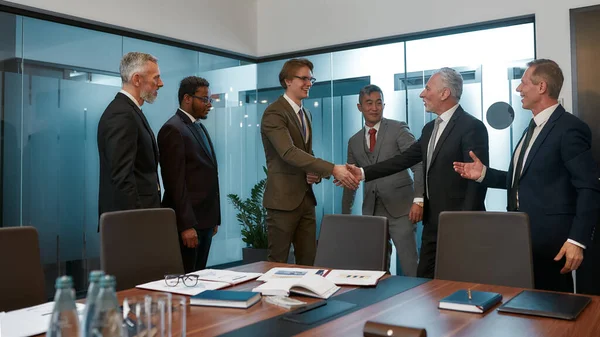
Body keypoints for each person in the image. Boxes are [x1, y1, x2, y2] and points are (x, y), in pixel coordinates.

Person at [453, 59, 600, 292]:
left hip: (554, 244)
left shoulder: (569, 128)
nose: (518, 89)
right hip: (523, 238)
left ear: (541, 87)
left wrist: (577, 239)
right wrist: (484, 174)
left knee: (554, 315)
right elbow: (524, 181)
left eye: (523, 83)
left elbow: (589, 187)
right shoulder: (530, 128)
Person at [345, 67, 489, 278]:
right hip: (432, 223)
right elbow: (402, 160)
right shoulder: (429, 128)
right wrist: (362, 173)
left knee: (457, 280)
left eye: (427, 88)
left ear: (444, 93)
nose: (422, 93)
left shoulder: (472, 126)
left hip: (458, 224)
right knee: (423, 281)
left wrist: (464, 223)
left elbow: (477, 180)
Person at [261, 58, 359, 266]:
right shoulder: (274, 112)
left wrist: (315, 174)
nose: (309, 83)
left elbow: (306, 154)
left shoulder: (306, 114)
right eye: (303, 78)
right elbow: (288, 152)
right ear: (287, 81)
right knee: (277, 263)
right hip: (282, 202)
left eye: (311, 79)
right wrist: (332, 169)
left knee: (308, 263)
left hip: (306, 199)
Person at [341, 84, 424, 276]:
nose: (374, 108)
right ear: (359, 107)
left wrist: (418, 200)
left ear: (384, 105)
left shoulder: (398, 128)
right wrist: (345, 216)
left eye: (378, 103)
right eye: (369, 103)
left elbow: (418, 164)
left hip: (402, 209)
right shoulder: (353, 141)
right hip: (371, 212)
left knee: (410, 265)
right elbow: (350, 179)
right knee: (374, 270)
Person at [158, 77, 220, 273]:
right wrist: (186, 226)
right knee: (185, 281)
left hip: (205, 221)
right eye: (204, 99)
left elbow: (208, 174)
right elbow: (175, 183)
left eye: (209, 99)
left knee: (198, 277)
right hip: (189, 223)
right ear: (187, 98)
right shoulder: (173, 129)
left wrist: (214, 219)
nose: (208, 104)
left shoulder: (198, 127)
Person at [97, 52, 163, 223]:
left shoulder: (130, 111)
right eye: (156, 78)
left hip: (139, 216)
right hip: (132, 221)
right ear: (137, 79)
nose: (160, 84)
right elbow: (122, 177)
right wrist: (138, 222)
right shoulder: (122, 114)